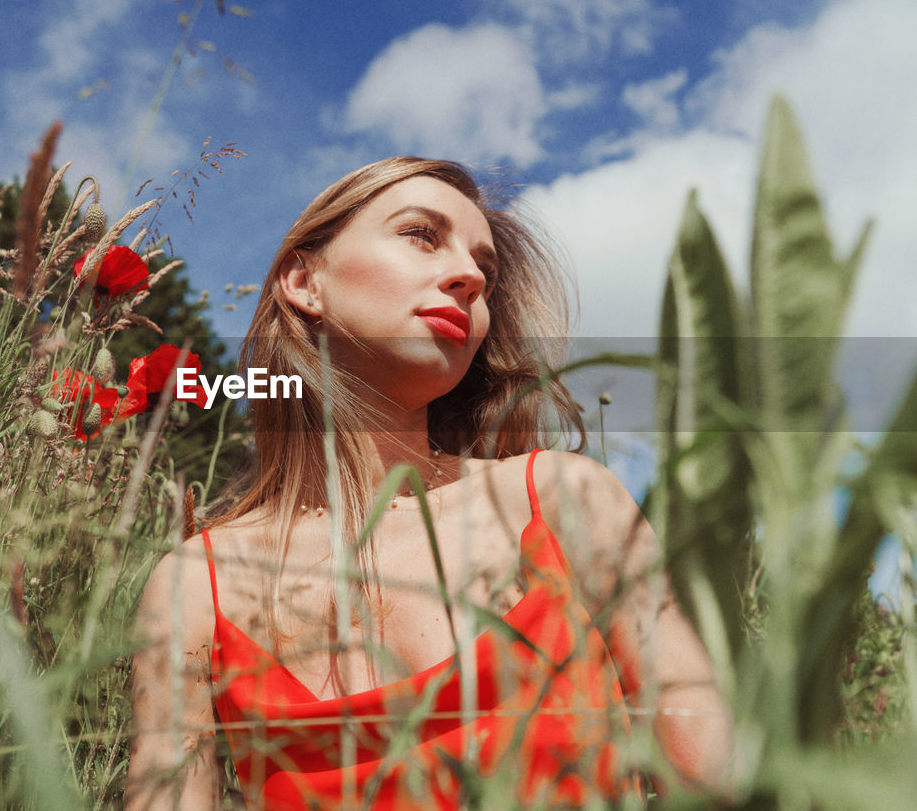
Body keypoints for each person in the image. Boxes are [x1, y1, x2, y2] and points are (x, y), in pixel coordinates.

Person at [124, 157, 731, 809]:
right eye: (421, 234)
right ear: (304, 282)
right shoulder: (196, 581)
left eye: (486, 271)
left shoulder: (558, 501)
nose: (470, 277)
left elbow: (718, 781)